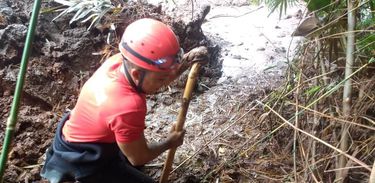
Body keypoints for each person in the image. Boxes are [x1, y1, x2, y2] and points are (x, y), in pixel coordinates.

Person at [40, 18, 208, 183]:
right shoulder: (128, 106)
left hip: (78, 136)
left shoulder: (119, 62)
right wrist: (170, 142)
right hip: (84, 158)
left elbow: (158, 74)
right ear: (136, 74)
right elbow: (138, 157)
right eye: (161, 80)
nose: (166, 82)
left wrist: (185, 62)